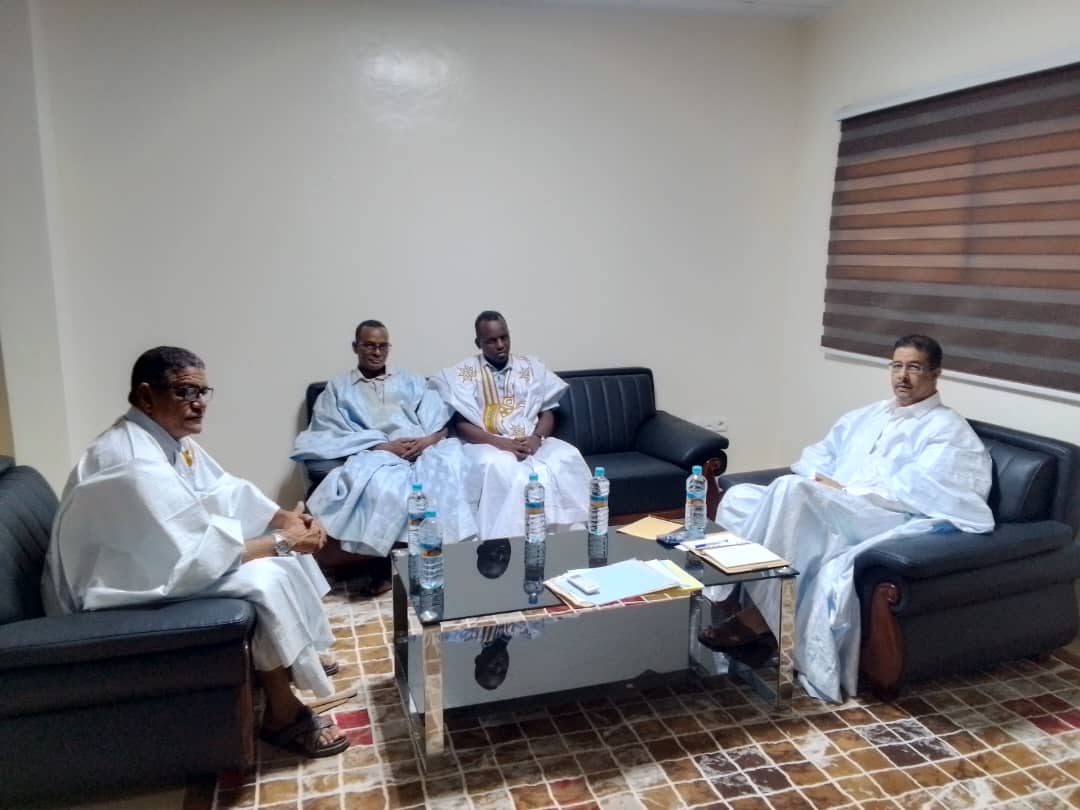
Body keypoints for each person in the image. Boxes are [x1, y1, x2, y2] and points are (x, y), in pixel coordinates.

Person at [42, 347, 349, 758]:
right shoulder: (130, 461)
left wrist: (284, 520)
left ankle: (299, 654)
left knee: (276, 547)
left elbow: (224, 490)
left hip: (152, 562)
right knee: (266, 577)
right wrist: (283, 541)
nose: (199, 403)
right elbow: (190, 556)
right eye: (185, 392)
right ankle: (284, 715)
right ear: (146, 396)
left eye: (203, 392)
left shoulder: (167, 439)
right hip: (113, 585)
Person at [701, 335, 994, 702]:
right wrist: (822, 483)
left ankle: (760, 618)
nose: (902, 376)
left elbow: (929, 490)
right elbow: (819, 455)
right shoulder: (869, 415)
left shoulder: (946, 429)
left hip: (883, 515)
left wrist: (846, 490)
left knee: (791, 491)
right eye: (897, 366)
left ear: (936, 373)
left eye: (914, 368)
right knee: (739, 497)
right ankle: (731, 596)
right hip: (835, 502)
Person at [292, 320, 476, 586]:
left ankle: (446, 558)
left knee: (451, 468)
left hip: (423, 447)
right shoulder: (338, 388)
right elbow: (329, 433)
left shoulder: (411, 380)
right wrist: (383, 447)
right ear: (355, 347)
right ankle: (382, 563)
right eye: (369, 345)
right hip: (376, 452)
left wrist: (426, 442)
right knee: (383, 485)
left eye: (382, 346)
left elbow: (441, 422)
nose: (376, 352)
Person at [431, 311, 590, 540]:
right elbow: (461, 423)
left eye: (504, 337)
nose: (500, 345)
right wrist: (501, 443)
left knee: (566, 456)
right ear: (478, 343)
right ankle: (504, 541)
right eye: (491, 340)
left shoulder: (530, 367)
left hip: (531, 439)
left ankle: (567, 536)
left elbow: (547, 412)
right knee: (501, 467)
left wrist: (537, 438)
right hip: (487, 443)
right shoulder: (464, 374)